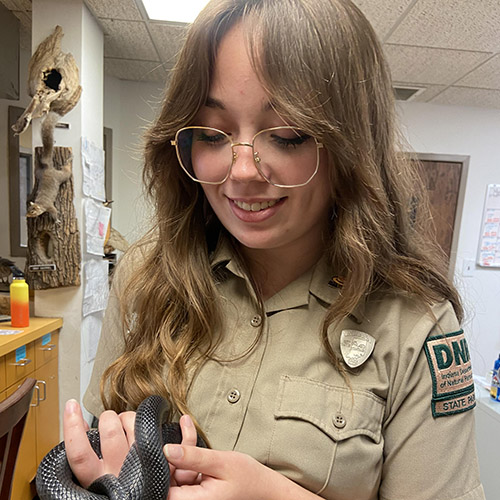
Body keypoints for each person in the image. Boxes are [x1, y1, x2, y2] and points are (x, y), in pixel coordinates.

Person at [64, 0, 485, 499]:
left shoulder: (417, 324)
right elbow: (95, 457)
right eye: (213, 134)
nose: (242, 171)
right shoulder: (144, 275)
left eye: (287, 135)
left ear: (352, 147)